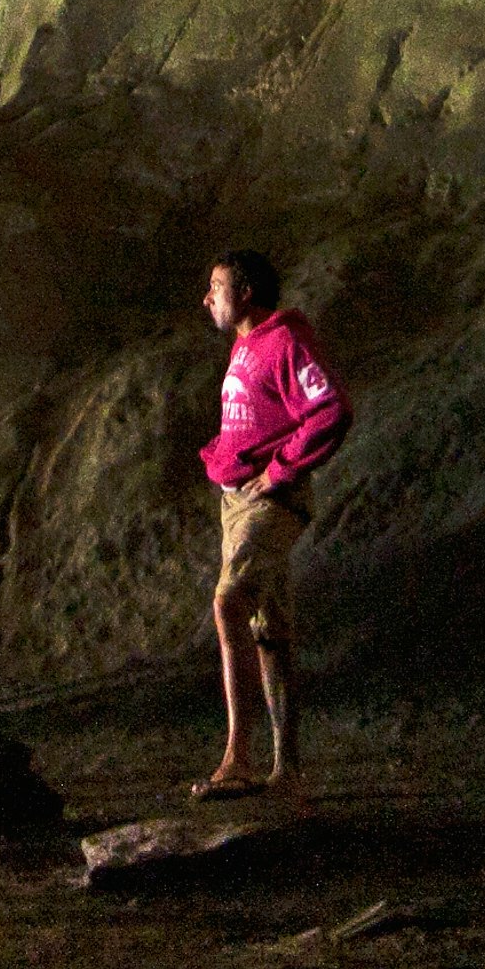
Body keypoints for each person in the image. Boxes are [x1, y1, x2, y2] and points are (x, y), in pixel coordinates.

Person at [192, 246, 342, 802]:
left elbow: (329, 408)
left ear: (246, 292)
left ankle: (237, 757)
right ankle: (288, 770)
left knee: (228, 601)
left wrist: (279, 471)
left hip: (270, 502)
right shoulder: (247, 344)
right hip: (237, 501)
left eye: (216, 286)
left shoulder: (284, 340)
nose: (207, 297)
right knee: (268, 629)